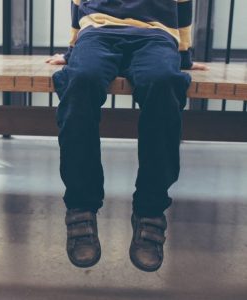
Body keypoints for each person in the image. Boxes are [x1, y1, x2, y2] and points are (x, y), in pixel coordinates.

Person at [46, 0, 208, 272]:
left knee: (164, 82)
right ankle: (81, 207)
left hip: (156, 35)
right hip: (97, 33)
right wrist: (72, 51)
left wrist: (183, 57)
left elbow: (183, 6)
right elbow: (78, 5)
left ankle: (150, 210)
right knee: (80, 81)